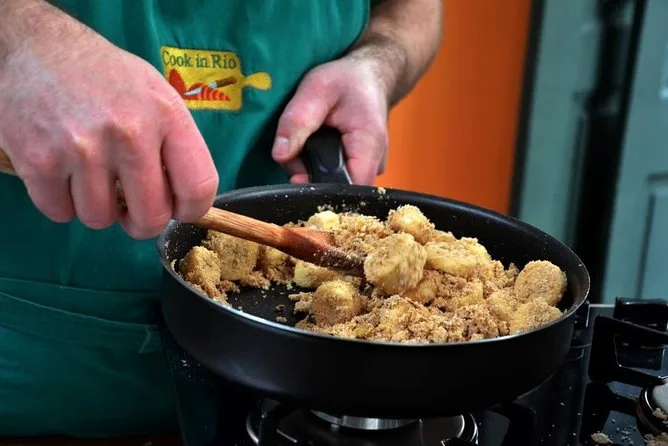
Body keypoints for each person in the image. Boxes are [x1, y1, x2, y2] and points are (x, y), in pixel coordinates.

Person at [0, 0, 443, 437]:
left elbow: (413, 9)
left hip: (280, 386)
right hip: (33, 370)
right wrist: (21, 38)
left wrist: (377, 62)